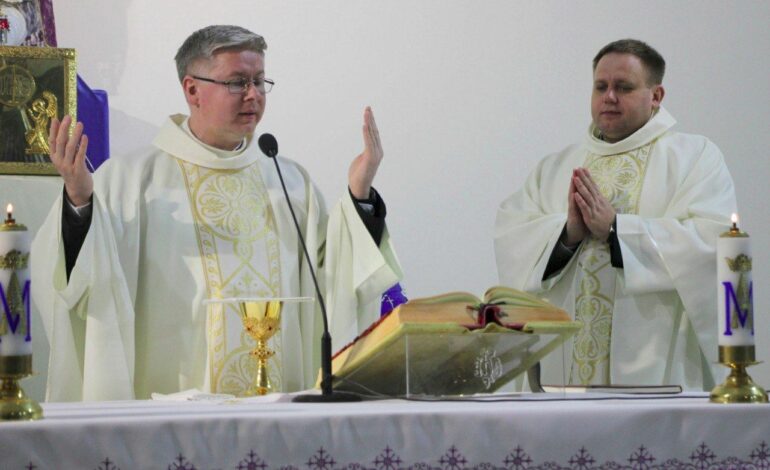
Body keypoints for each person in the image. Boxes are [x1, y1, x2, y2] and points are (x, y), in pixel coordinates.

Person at [31, 25, 403, 401]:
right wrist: (79, 201)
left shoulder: (289, 182)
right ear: (192, 89)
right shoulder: (131, 181)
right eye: (238, 82)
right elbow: (81, 283)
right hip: (170, 418)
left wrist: (359, 195)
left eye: (260, 81)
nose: (254, 95)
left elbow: (335, 279)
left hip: (281, 413)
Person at [494, 39, 736, 390]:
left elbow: (712, 243)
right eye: (600, 87)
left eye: (624, 87)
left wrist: (617, 230)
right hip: (563, 378)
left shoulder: (694, 157)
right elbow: (512, 237)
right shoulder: (556, 166)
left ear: (656, 96)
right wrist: (566, 235)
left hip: (656, 372)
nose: (609, 97)